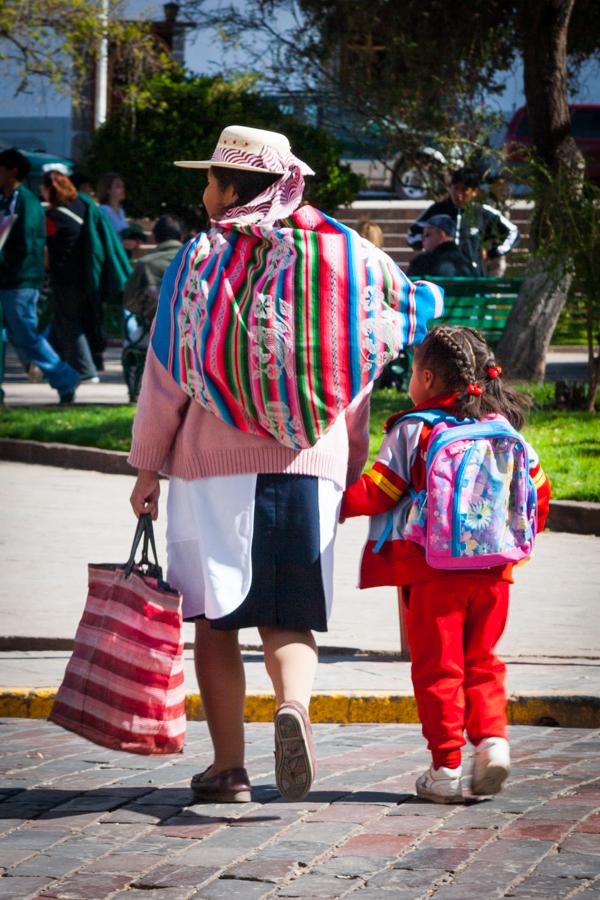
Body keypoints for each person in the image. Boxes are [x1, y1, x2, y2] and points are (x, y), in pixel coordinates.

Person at [128, 125, 442, 805]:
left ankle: (228, 769)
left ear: (234, 186)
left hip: (216, 470)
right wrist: (347, 462)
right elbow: (358, 366)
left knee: (216, 619)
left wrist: (148, 467)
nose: (204, 192)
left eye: (210, 179)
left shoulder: (201, 259)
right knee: (288, 614)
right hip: (311, 465)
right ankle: (294, 706)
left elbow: (167, 370)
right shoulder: (347, 257)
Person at [340, 325, 551, 804]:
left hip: (432, 571)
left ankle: (447, 768)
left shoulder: (413, 428)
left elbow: (381, 489)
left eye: (413, 373)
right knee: (483, 661)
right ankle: (493, 741)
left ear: (429, 377)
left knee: (438, 670)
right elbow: (538, 492)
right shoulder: (503, 429)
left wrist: (333, 504)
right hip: (494, 573)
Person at [0, 148, 80, 403]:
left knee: (25, 336)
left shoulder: (27, 203)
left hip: (20, 282)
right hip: (9, 280)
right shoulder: (6, 199)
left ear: (12, 171)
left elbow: (27, 246)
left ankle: (65, 377)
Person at [41, 170, 99, 383]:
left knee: (69, 323)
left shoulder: (53, 217)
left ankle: (86, 370)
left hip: (64, 278)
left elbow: (42, 244)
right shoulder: (82, 207)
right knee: (64, 322)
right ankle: (48, 368)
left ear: (50, 189)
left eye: (43, 188)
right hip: (86, 274)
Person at [406, 168, 520, 276]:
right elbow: (411, 235)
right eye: (456, 188)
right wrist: (428, 240)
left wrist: (493, 253)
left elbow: (513, 232)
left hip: (472, 276)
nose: (459, 194)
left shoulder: (482, 213)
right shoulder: (435, 211)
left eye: (464, 189)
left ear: (474, 192)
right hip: (438, 275)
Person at [123, 214, 183, 333]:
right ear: (181, 237)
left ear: (155, 237)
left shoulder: (145, 264)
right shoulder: (198, 261)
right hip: (195, 336)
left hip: (155, 335)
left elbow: (129, 303)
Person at [406, 214, 473, 277]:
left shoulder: (422, 263)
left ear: (441, 235)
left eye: (427, 234)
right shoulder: (467, 262)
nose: (422, 239)